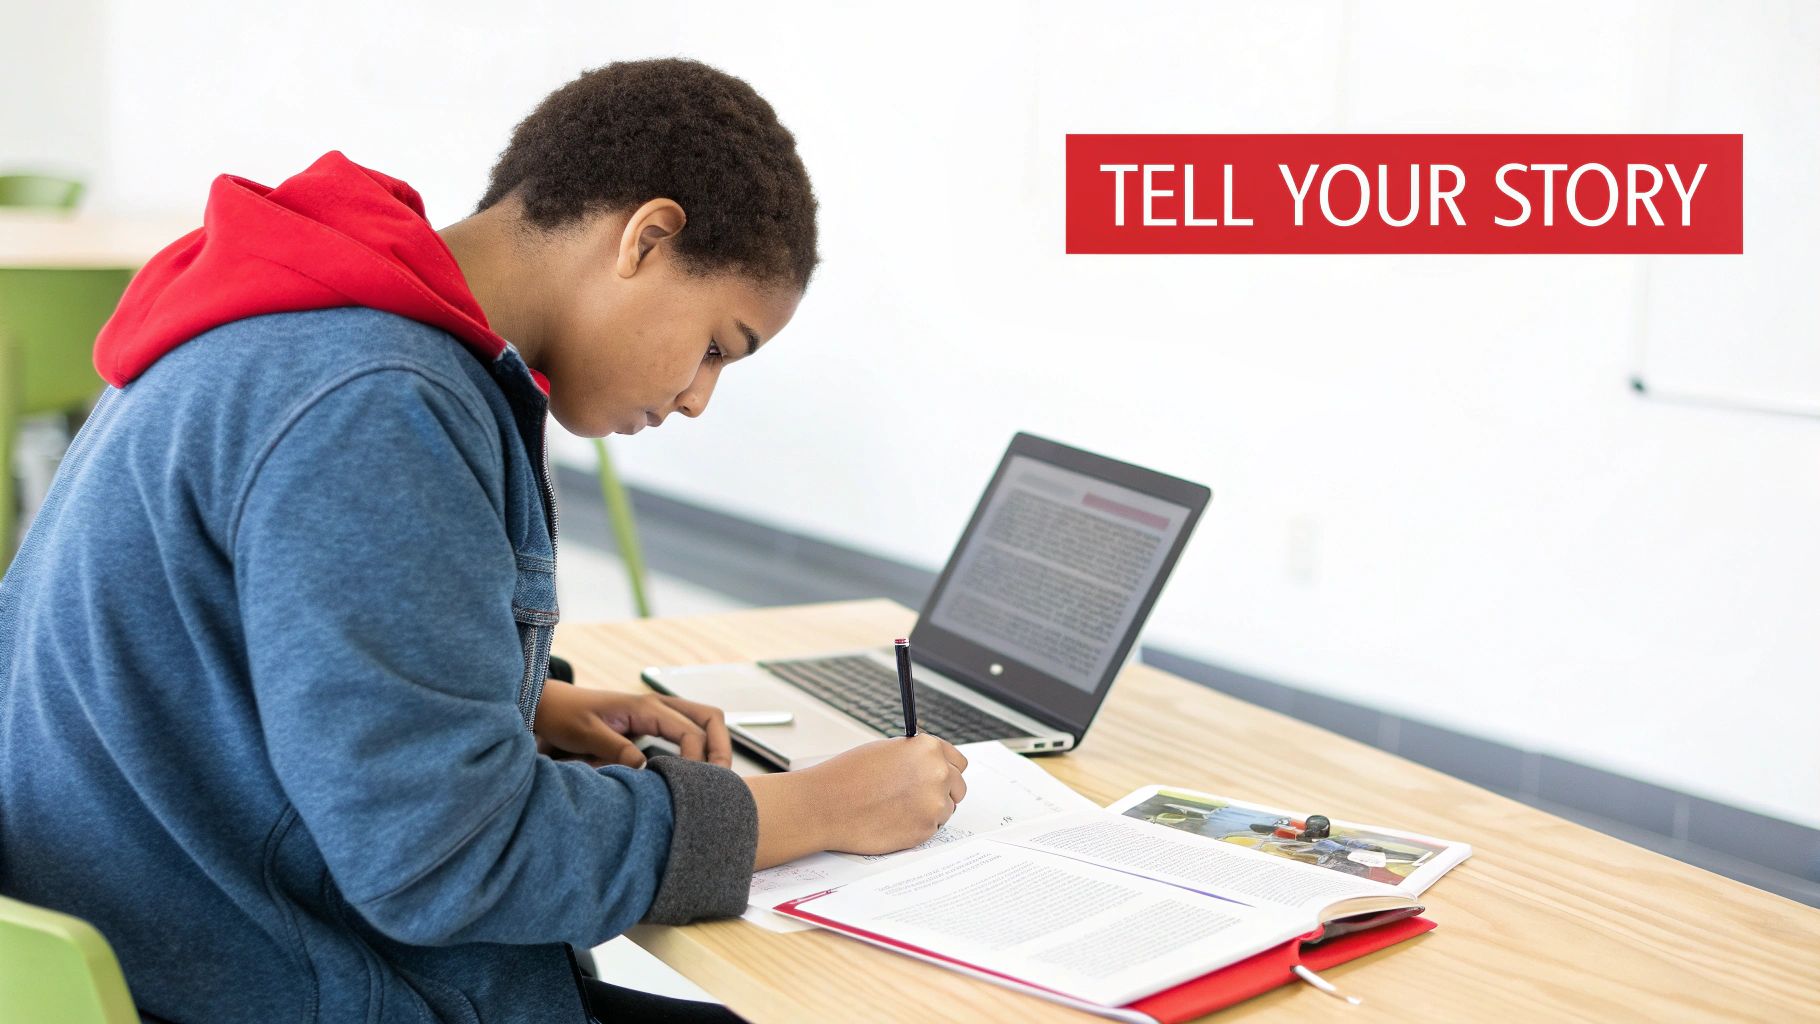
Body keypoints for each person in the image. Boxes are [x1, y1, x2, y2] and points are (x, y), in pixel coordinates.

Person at [0, 58, 968, 1023]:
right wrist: (809, 811)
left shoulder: (297, 321)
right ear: (646, 237)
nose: (697, 397)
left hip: (181, 939)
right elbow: (444, 858)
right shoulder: (374, 402)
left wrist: (523, 704)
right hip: (267, 975)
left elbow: (209, 649)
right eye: (717, 343)